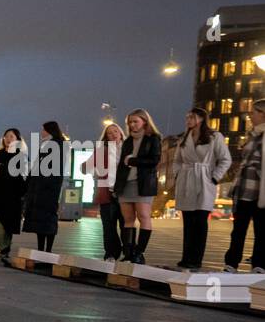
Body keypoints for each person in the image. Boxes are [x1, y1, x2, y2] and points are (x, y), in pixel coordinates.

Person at [173, 107, 231, 269]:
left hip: (204, 180)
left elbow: (225, 159)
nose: (188, 120)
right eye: (187, 117)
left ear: (201, 118)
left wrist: (214, 177)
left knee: (200, 220)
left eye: (191, 117)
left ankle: (196, 258)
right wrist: (178, 174)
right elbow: (177, 160)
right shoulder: (185, 138)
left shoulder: (215, 136)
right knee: (188, 221)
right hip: (186, 180)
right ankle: (186, 257)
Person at [114, 109, 163, 264]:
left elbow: (154, 161)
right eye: (130, 122)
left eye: (136, 121)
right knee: (128, 219)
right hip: (126, 183)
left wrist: (134, 161)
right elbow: (122, 165)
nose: (132, 125)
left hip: (143, 184)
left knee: (143, 216)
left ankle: (139, 253)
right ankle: (128, 253)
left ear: (145, 121)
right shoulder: (128, 141)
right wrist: (117, 186)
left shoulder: (153, 138)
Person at [224, 98, 265, 272]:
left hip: (260, 191)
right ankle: (231, 263)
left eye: (254, 112)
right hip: (244, 189)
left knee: (261, 231)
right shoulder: (252, 135)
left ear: (263, 114)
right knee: (238, 230)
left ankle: (260, 264)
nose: (250, 115)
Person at [22, 121, 68, 253]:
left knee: (47, 220)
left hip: (48, 189)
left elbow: (55, 169)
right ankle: (41, 250)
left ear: (49, 130)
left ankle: (47, 250)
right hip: (40, 189)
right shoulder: (47, 145)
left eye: (43, 130)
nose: (41, 132)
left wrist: (44, 183)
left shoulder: (57, 145)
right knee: (40, 221)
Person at [85, 122, 125, 261]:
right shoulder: (102, 150)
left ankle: (128, 252)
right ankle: (110, 253)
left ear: (121, 133)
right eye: (109, 133)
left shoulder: (128, 148)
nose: (113, 134)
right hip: (106, 192)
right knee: (108, 225)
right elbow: (87, 167)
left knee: (126, 224)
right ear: (106, 137)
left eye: (115, 131)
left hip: (125, 192)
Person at [0, 128, 26, 256]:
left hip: (12, 195)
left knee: (8, 224)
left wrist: (22, 192)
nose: (8, 139)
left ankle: (5, 248)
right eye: (6, 136)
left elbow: (24, 177)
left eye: (11, 136)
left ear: (17, 140)